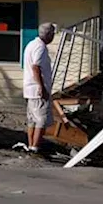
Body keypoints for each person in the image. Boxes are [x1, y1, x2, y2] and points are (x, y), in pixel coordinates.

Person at [23, 22, 68, 153]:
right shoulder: (40, 47)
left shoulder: (31, 44)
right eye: (53, 34)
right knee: (41, 120)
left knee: (32, 120)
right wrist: (41, 87)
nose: (53, 36)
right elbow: (36, 67)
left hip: (29, 89)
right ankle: (35, 147)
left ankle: (31, 145)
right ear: (48, 35)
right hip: (37, 89)